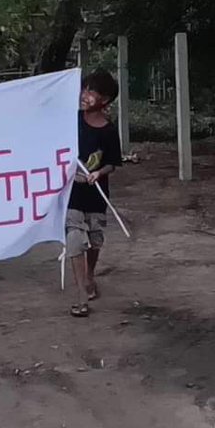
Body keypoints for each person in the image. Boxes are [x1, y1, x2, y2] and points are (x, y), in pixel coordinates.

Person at [66, 69, 122, 318]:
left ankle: (90, 275)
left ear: (105, 100)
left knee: (95, 238)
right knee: (75, 239)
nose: (85, 96)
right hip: (72, 193)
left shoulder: (109, 130)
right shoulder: (71, 120)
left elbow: (112, 162)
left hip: (97, 195)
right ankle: (80, 293)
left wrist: (99, 173)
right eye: (84, 89)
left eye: (92, 92)